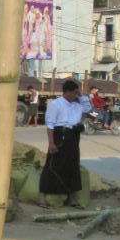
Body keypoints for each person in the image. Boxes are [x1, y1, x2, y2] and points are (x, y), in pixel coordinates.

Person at [36, 78, 92, 209]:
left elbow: (88, 108)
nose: (75, 95)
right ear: (68, 92)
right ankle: (42, 196)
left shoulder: (77, 104)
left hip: (73, 135)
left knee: (72, 165)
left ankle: (71, 197)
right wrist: (51, 143)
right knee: (52, 164)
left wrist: (81, 96)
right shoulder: (56, 104)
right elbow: (50, 125)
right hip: (59, 134)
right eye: (74, 92)